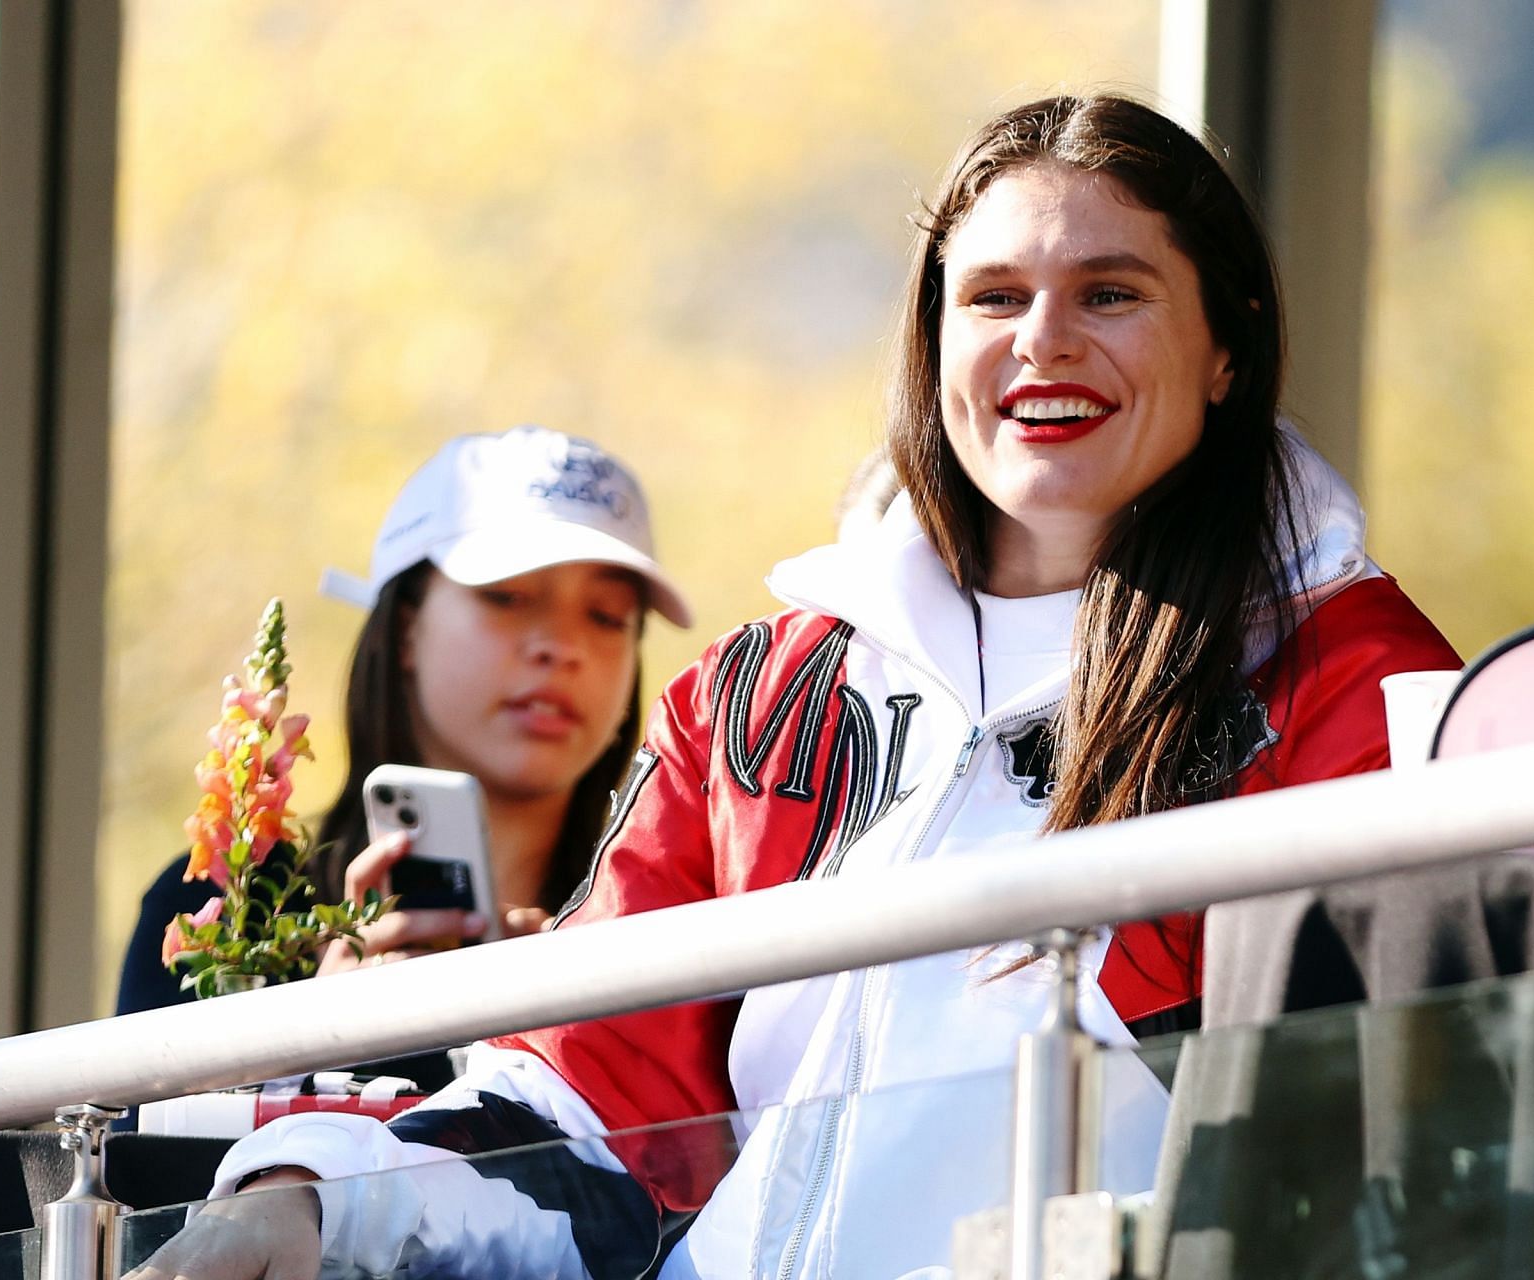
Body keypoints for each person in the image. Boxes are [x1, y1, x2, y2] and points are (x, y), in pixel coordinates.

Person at [130, 95, 1461, 1279]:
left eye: (1111, 293)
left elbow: (1398, 1141)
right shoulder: (759, 693)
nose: (1042, 342)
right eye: (993, 297)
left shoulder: (1347, 676)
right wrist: (311, 1201)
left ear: (1227, 347)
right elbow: (585, 1108)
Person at [113, 425, 694, 1078]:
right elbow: (146, 1166)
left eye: (608, 616)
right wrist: (315, 1053)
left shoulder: (676, 933)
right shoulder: (226, 911)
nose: (562, 646)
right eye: (507, 596)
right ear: (405, 627)